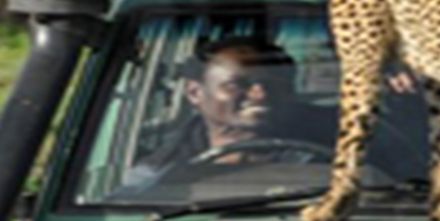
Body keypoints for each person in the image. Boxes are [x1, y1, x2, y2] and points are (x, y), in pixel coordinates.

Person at [138, 37, 322, 172]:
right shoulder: (157, 169)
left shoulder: (334, 153)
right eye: (236, 85)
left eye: (274, 84)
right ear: (195, 93)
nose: (260, 94)